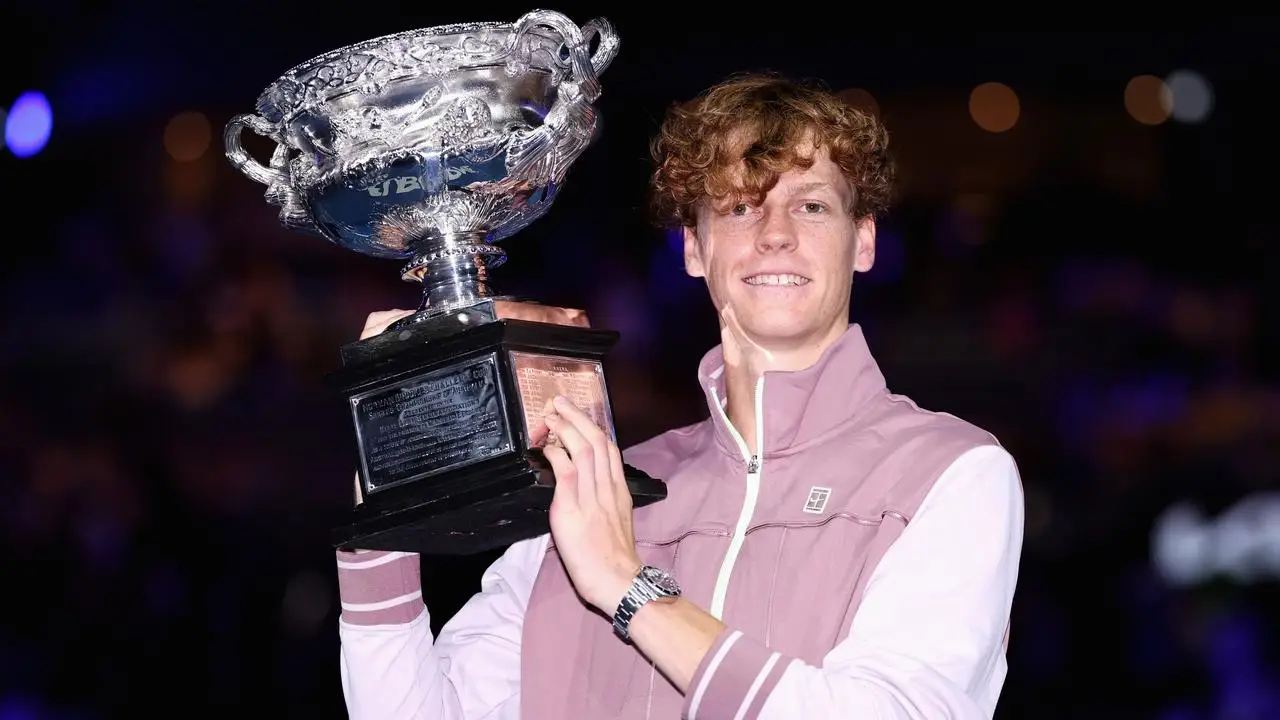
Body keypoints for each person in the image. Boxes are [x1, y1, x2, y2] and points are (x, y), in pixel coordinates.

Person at [335, 73, 1025, 719]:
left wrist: (628, 587)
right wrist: (386, 524)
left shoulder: (952, 472)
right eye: (739, 208)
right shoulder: (597, 491)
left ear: (863, 241)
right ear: (694, 249)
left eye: (811, 206)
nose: (776, 235)